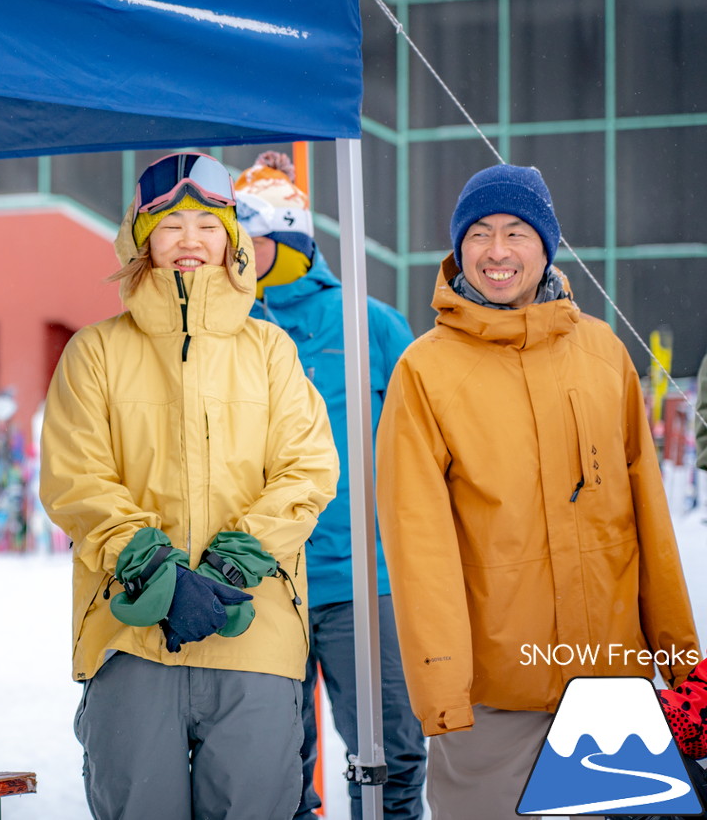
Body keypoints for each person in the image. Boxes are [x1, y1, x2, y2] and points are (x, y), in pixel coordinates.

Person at [375, 163, 701, 819]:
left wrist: (684, 664)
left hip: (612, 688)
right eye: (481, 234)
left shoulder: (605, 354)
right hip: (496, 699)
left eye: (517, 232)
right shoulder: (424, 372)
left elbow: (650, 527)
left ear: (546, 245)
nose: (497, 251)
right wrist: (444, 690)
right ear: (459, 248)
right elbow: (420, 547)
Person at [39, 151, 339, 820]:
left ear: (232, 240)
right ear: (141, 240)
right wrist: (155, 568)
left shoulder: (270, 351)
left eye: (207, 225)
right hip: (131, 626)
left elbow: (307, 467)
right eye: (171, 226)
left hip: (253, 626)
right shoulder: (95, 351)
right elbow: (75, 475)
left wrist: (235, 561)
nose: (190, 241)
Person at [233, 151, 425, 820]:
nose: (229, 253)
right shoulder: (232, 329)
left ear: (286, 241)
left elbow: (426, 447)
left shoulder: (368, 322)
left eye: (244, 239)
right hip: (263, 578)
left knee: (391, 748)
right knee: (275, 757)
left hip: (363, 583)